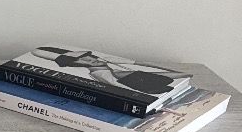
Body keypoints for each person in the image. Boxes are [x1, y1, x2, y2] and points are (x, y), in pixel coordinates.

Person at [32, 47, 185, 97]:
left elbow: (142, 63)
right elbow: (124, 88)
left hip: (154, 85)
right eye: (83, 60)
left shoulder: (105, 63)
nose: (90, 60)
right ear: (77, 65)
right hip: (150, 90)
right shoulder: (100, 74)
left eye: (89, 57)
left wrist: (182, 74)